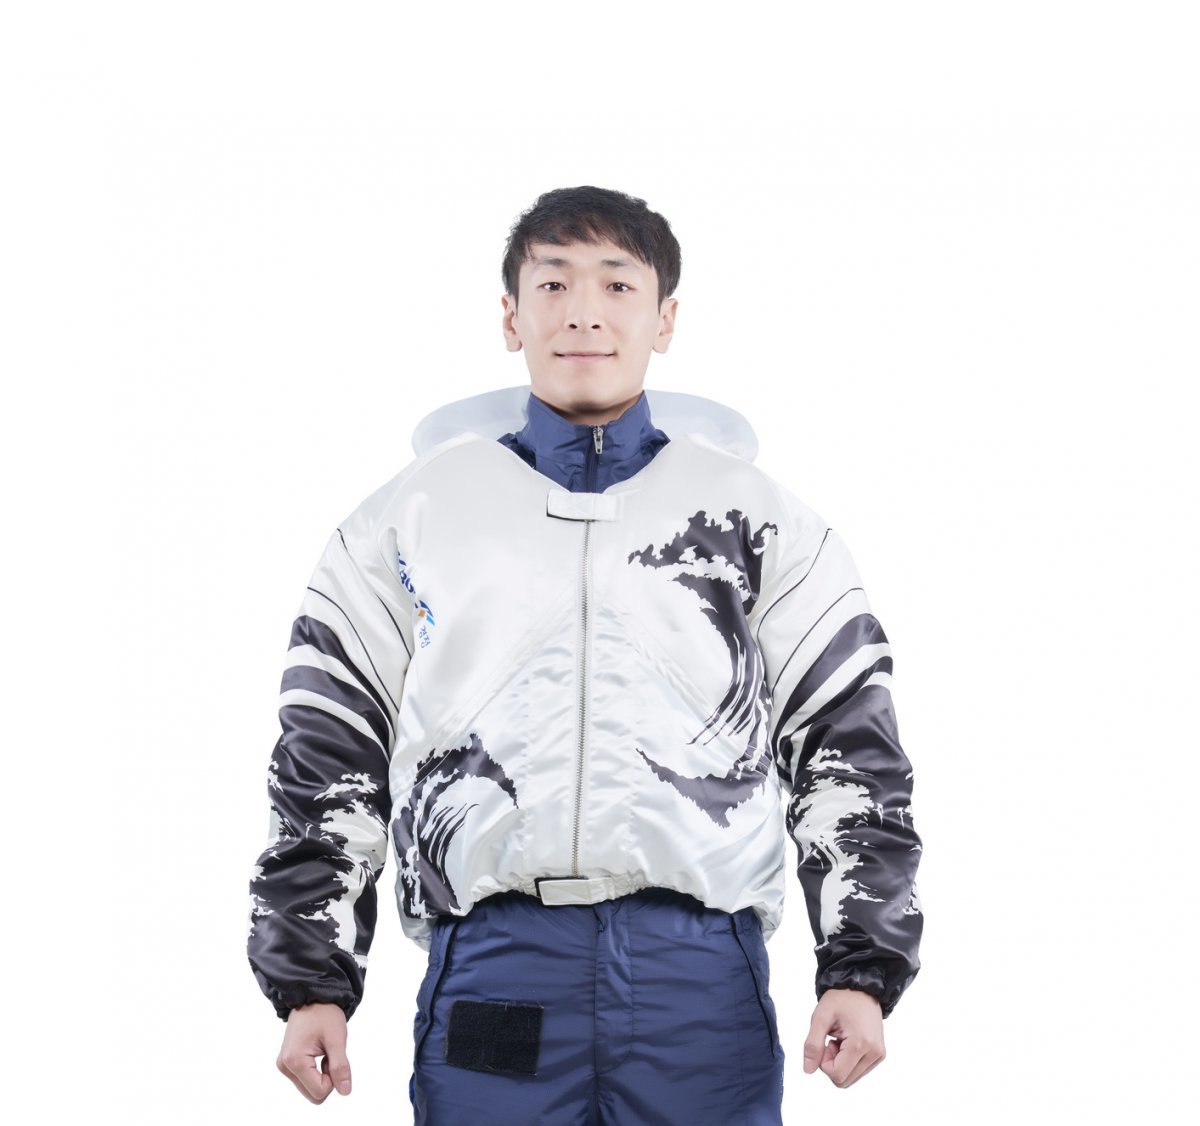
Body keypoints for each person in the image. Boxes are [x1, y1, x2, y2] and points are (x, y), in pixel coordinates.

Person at [247, 185, 923, 1124]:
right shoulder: (409, 519)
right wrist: (311, 979)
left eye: (617, 284)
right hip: (495, 964)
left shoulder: (758, 521)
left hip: (700, 980)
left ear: (665, 317)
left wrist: (861, 967)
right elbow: (328, 750)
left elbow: (847, 743)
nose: (584, 312)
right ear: (511, 315)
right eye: (554, 283)